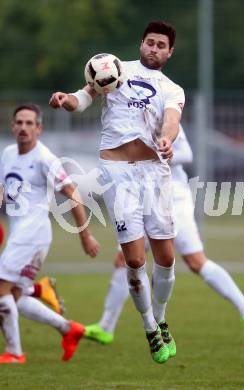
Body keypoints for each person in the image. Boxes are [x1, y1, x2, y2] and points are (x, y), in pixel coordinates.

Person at [49, 21, 185, 364]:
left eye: (160, 45)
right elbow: (84, 98)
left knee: (166, 259)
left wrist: (167, 138)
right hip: (117, 172)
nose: (153, 49)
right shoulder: (114, 68)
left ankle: (162, 316)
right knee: (135, 260)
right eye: (149, 43)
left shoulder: (172, 89)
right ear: (141, 44)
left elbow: (172, 120)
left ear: (170, 52)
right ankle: (150, 328)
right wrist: (67, 100)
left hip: (154, 172)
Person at [84, 126, 244, 346]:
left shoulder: (165, 117)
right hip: (144, 195)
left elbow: (187, 153)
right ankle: (106, 326)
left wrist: (158, 153)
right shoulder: (130, 117)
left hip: (172, 196)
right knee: (125, 259)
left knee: (195, 261)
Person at [0, 103, 100, 364]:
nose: (23, 127)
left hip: (33, 235)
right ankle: (69, 329)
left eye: (29, 123)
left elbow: (73, 194)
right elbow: (4, 190)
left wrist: (85, 235)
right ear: (13, 126)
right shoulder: (8, 153)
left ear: (39, 128)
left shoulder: (45, 159)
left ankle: (14, 353)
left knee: (1, 290)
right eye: (19, 122)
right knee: (16, 297)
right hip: (20, 234)